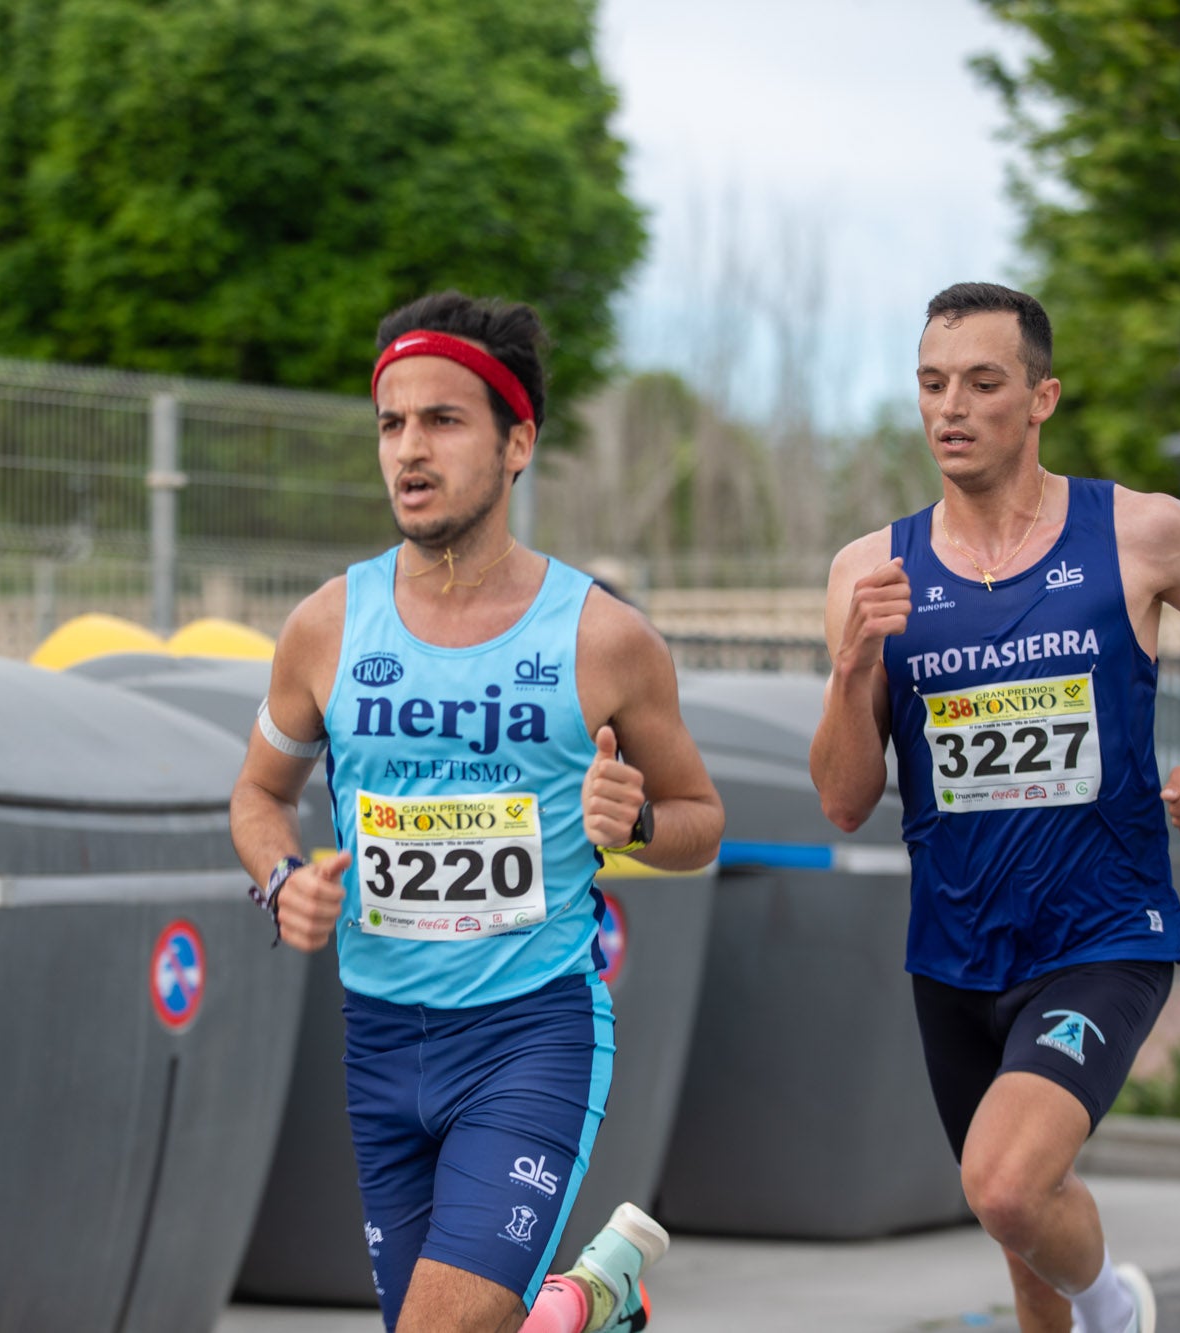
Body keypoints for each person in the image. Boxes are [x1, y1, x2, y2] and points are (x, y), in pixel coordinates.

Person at [231, 290, 725, 1333]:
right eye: (390, 422)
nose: (408, 449)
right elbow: (257, 794)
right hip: (378, 1038)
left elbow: (699, 819)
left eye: (443, 421)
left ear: (516, 445)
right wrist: (280, 881)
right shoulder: (325, 625)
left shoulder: (601, 638)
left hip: (528, 1032)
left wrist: (632, 823)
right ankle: (587, 1307)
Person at [809, 282, 1180, 1333]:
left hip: (1101, 933)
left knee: (1003, 1184)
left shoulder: (1139, 533)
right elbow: (845, 800)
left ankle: (1116, 1308)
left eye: (982, 383)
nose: (951, 406)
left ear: (1039, 399)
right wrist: (853, 665)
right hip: (952, 952)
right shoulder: (866, 570)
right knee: (1022, 1250)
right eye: (932, 384)